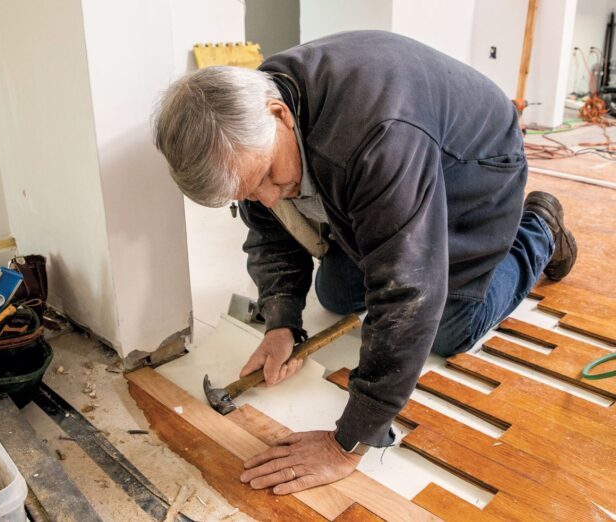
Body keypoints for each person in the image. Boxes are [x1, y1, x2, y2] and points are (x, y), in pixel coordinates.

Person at [154, 31, 577, 495]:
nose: (268, 198)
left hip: (475, 167)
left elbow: (408, 292)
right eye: (250, 192)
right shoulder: (251, 116)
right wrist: (281, 323)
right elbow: (271, 227)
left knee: (447, 327)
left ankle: (538, 229)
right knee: (337, 294)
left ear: (279, 115)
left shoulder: (376, 138)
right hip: (405, 154)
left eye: (268, 178)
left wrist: (349, 441)